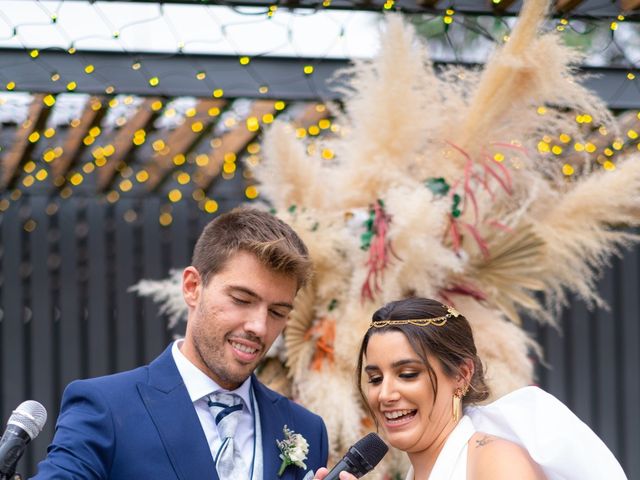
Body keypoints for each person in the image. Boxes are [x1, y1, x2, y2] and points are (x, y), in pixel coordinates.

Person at [32, 207, 329, 480]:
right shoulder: (105, 408)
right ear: (192, 287)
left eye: (277, 312)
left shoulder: (307, 429)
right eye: (241, 300)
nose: (259, 327)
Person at [315, 297, 627, 480]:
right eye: (375, 378)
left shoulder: (494, 461)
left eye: (408, 374)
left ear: (462, 376)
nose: (385, 394)